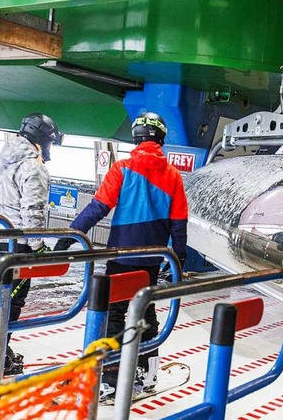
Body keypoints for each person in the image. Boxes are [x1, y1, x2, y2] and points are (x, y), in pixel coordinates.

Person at [54, 111, 188, 402]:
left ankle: (112, 378)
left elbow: (98, 207)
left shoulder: (123, 168)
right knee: (146, 313)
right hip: (153, 258)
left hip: (122, 255)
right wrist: (178, 258)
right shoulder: (174, 175)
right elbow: (179, 222)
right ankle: (148, 372)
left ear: (135, 138)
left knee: (114, 314)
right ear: (161, 140)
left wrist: (71, 235)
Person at [0, 113, 62, 381]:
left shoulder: (1, 163)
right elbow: (33, 210)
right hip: (20, 244)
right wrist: (38, 246)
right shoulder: (33, 166)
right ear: (42, 140)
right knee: (13, 300)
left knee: (1, 296)